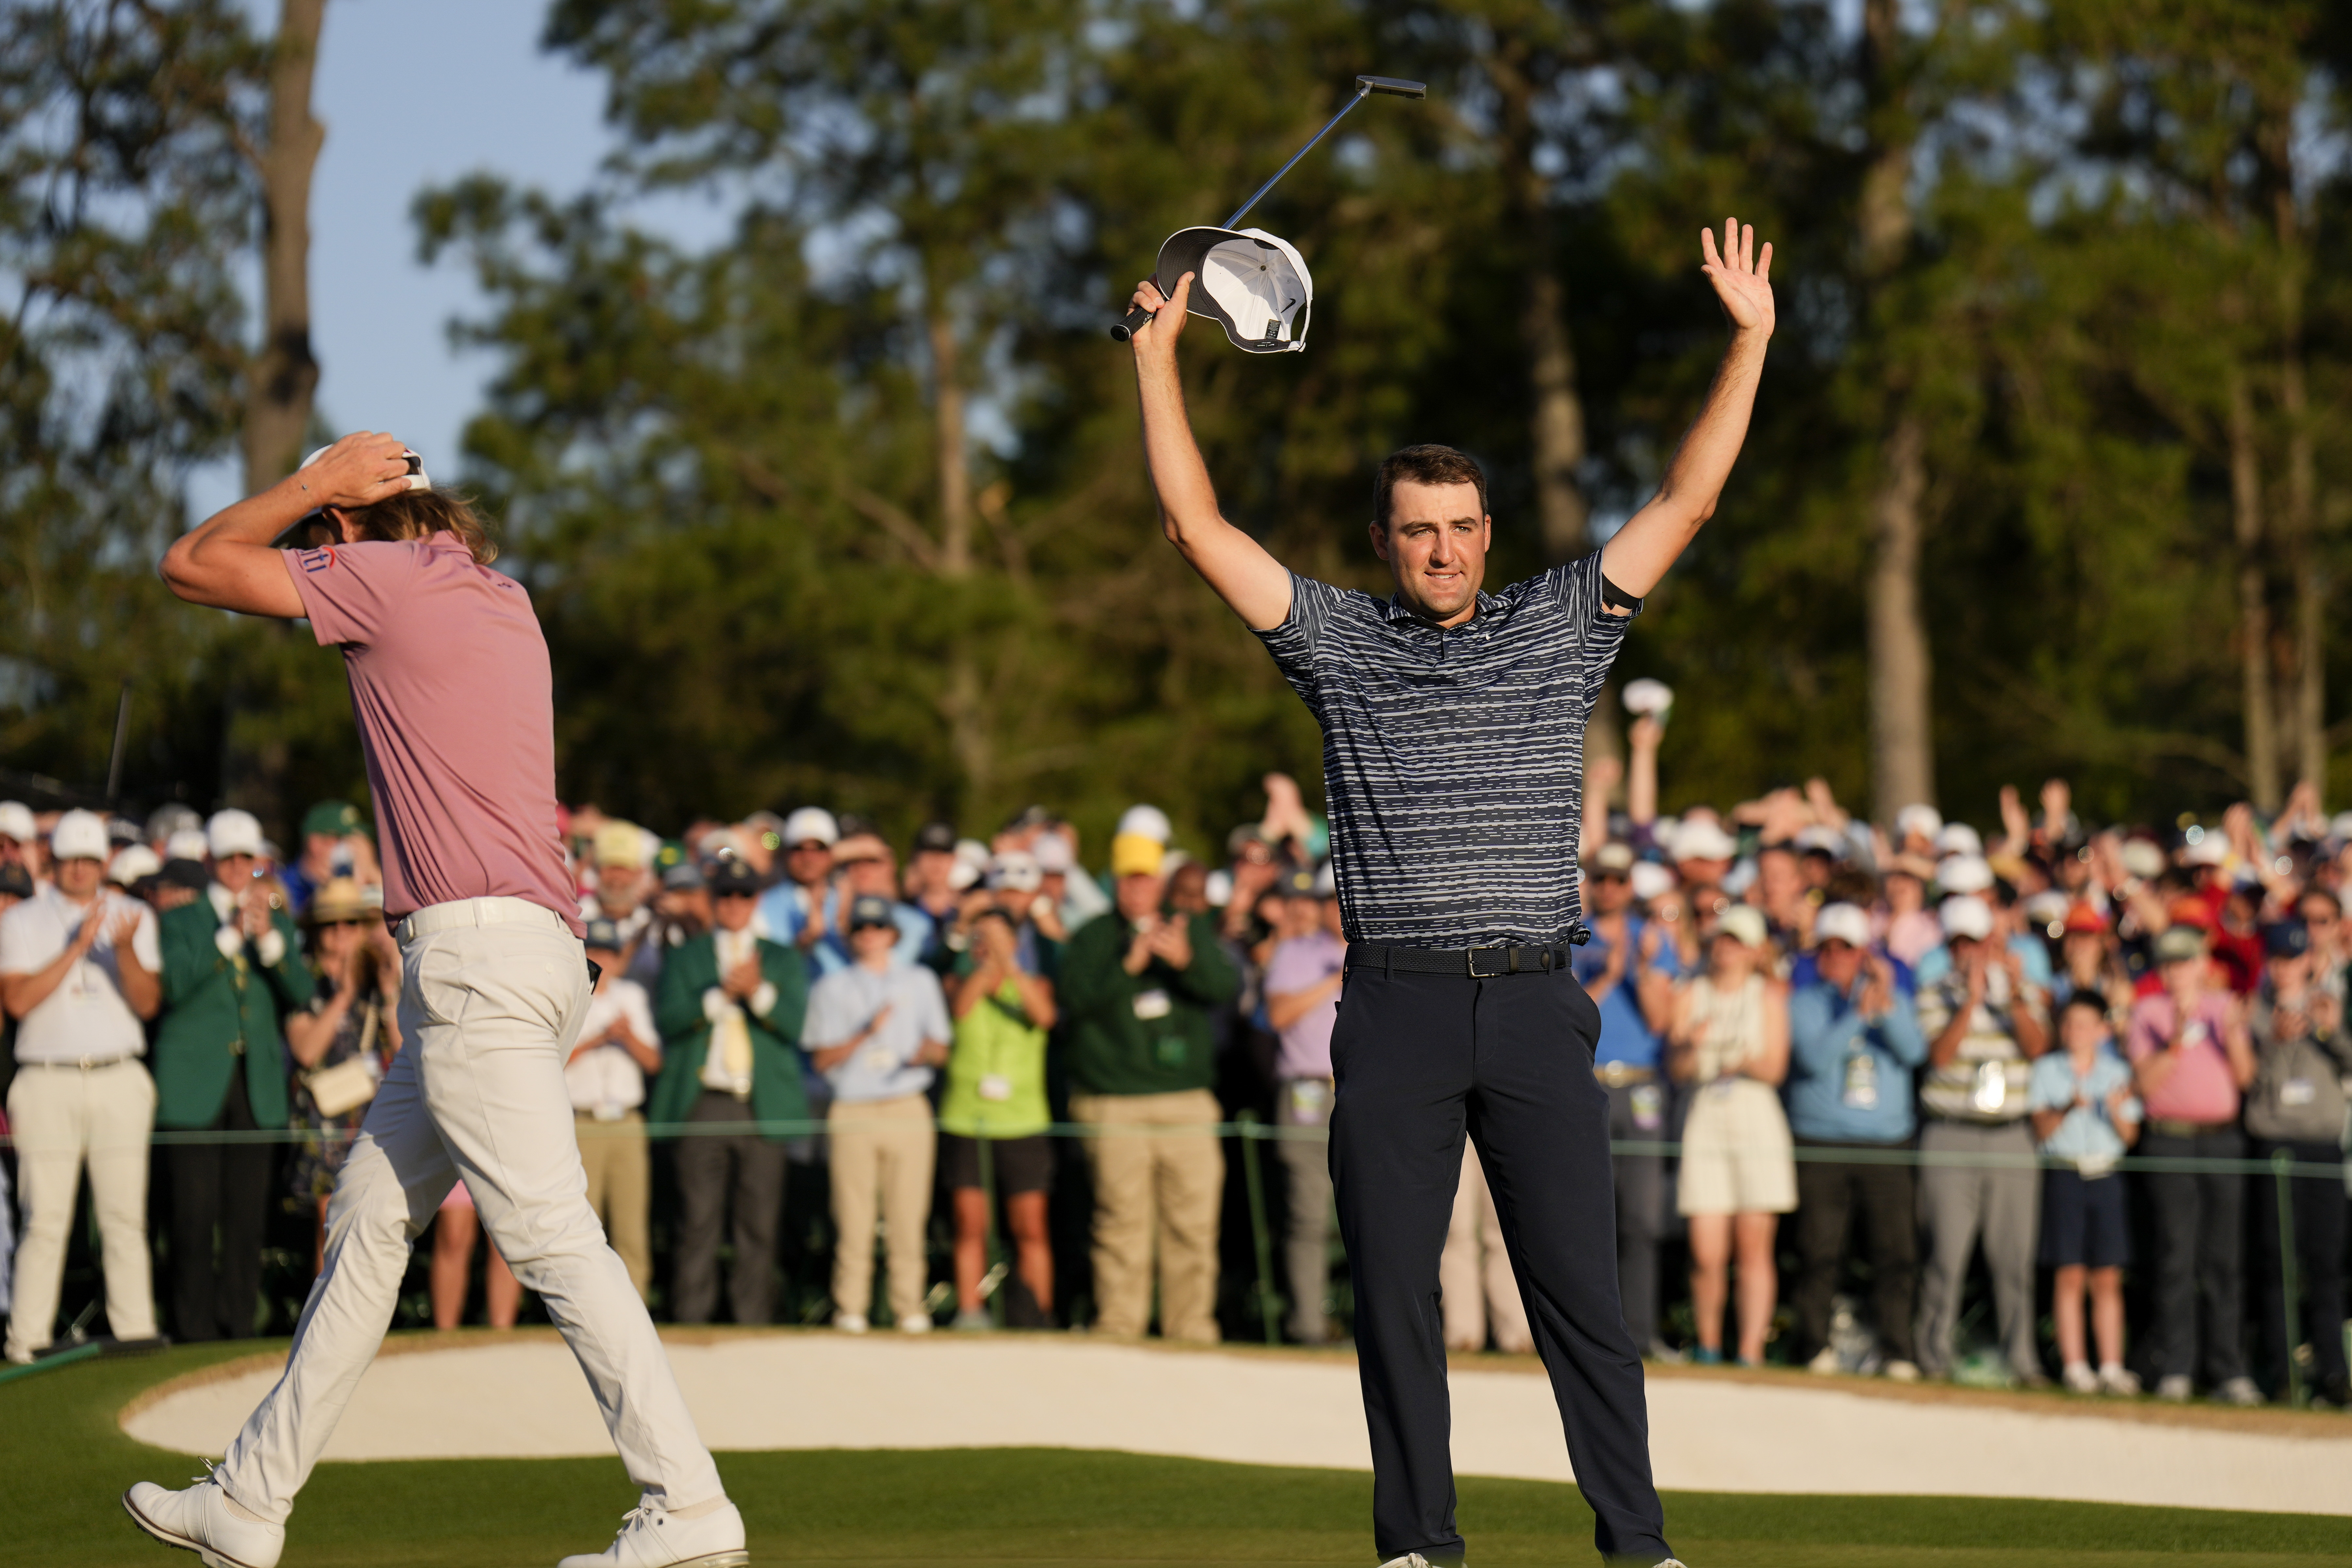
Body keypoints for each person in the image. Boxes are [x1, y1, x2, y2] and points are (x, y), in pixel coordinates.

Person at [1126, 212, 1772, 1567]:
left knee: (1581, 1299)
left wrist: (1750, 340)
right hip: (1397, 1005)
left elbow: (1685, 503)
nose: (1441, 550)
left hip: (1534, 1001)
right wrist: (1154, 359)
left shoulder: (1558, 624)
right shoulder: (1334, 642)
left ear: (1487, 533)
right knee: (1394, 1297)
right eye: (1417, 530)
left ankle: (1636, 1541)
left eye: (1461, 527)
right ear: (1383, 538)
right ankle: (1416, 1542)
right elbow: (1194, 527)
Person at [131, 433, 748, 1568]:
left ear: (346, 525)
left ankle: (688, 1499)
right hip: (525, 957)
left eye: (324, 530)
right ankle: (250, 1499)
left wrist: (313, 486)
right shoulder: (502, 594)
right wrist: (351, 502)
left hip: (473, 964)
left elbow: (190, 564)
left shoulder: (383, 575)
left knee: (550, 1234)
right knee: (368, 1222)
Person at [1058, 817, 1240, 1341]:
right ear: (1115, 881)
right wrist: (1128, 966)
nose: (1137, 887)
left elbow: (1225, 987)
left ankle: (1190, 1327)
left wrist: (1186, 961)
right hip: (1114, 1102)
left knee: (1193, 1223)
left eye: (1146, 877)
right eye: (1128, 878)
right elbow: (1072, 1001)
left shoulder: (1189, 926)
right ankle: (1120, 1324)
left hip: (1186, 1101)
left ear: (1160, 880)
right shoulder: (1093, 936)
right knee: (1120, 1222)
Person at [0, 809, 161, 1364]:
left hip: (120, 1074)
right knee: (44, 1218)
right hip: (47, 1078)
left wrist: (123, 950)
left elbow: (147, 1003)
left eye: (90, 861)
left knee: (124, 1217)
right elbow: (17, 1000)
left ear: (102, 864)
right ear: (54, 861)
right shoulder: (22, 919)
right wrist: (76, 947)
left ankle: (136, 1333)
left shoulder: (136, 915)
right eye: (70, 860)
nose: (80, 870)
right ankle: (26, 1341)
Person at [153, 808, 316, 1344]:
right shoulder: (181, 918)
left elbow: (301, 992)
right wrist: (227, 938)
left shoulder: (276, 919)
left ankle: (241, 1324)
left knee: (248, 1217)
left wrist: (270, 943)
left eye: (246, 859)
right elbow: (175, 985)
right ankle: (193, 1327)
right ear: (208, 860)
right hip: (195, 1082)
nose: (237, 868)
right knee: (193, 1215)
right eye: (227, 858)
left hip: (255, 1082)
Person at [651, 855, 811, 1327]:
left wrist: (758, 992)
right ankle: (691, 1321)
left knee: (758, 1224)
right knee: (697, 1220)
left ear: (756, 901)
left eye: (744, 895)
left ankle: (752, 1322)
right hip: (704, 1101)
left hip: (761, 1105)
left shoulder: (780, 957)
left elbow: (795, 1026)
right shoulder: (689, 956)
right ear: (713, 900)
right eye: (726, 894)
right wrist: (720, 993)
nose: (735, 903)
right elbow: (670, 1020)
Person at [1783, 902, 1927, 1379]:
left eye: (1846, 949)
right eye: (1827, 948)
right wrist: (1857, 1015)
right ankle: (1813, 1345)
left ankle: (1897, 1350)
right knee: (1819, 1251)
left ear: (1864, 953)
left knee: (1895, 1253)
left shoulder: (1893, 999)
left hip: (1885, 1143)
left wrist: (1884, 1003)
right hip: (1821, 1142)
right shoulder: (1804, 1001)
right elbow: (1815, 1058)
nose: (1835, 957)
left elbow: (1914, 1051)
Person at [1912, 893, 2050, 1386]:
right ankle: (1933, 1356)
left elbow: (2038, 1048)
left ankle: (2022, 1360)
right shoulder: (1933, 994)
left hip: (2011, 1135)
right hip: (1951, 1133)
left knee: (2014, 1261)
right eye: (1959, 944)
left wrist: (2011, 997)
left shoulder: (2024, 992)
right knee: (1945, 1257)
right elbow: (1940, 1056)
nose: (1968, 952)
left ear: (1994, 942)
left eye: (1976, 942)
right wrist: (1970, 1002)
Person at [803, 893, 952, 1334]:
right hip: (853, 1105)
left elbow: (941, 1046)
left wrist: (925, 1053)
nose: (870, 935)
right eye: (861, 928)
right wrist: (865, 1033)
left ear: (893, 934)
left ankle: (909, 1306)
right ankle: (851, 1306)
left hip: (907, 1102)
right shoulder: (831, 987)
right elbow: (820, 1059)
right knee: (853, 1217)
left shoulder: (920, 980)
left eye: (878, 927)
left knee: (909, 1215)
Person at [2126, 923, 2261, 1403]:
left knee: (2224, 1258)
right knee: (2175, 1255)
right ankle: (2177, 1366)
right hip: (2170, 1140)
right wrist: (2177, 1041)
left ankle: (2228, 1369)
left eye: (2185, 961)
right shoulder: (2147, 1013)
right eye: (2170, 963)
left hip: (2222, 1139)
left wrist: (2234, 1034)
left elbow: (2245, 1078)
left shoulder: (2225, 1008)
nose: (2177, 971)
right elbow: (2143, 1084)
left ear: (2202, 965)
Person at [1666, 905, 1793, 1367]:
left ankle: (1750, 1350)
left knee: (1754, 1247)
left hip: (1755, 1114)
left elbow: (1774, 1068)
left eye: (1737, 941)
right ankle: (1708, 1345)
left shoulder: (1769, 996)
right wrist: (1692, 1046)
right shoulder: (1691, 992)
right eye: (1723, 938)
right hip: (1706, 1114)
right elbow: (1678, 1068)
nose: (1726, 947)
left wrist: (1739, 1060)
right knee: (1706, 1249)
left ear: (1756, 950)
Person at [1573, 840, 1680, 1356]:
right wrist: (1610, 975)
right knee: (1586, 1213)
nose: (1609, 888)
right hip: (1587, 1077)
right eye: (1601, 879)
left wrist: (1637, 969)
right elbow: (1567, 1015)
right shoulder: (1572, 935)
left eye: (1618, 880)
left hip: (1640, 1084)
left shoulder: (1652, 939)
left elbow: (1661, 1021)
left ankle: (1639, 1331)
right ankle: (1588, 1333)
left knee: (1640, 1216)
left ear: (1630, 885)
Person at [2244, 919, 2352, 1407]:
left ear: (2309, 960)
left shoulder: (2330, 1004)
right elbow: (2247, 1083)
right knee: (2278, 1263)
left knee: (2326, 1263)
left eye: (2294, 958)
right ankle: (2284, 1370)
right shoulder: (2254, 1012)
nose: (2285, 968)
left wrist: (2330, 1030)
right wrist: (2273, 1043)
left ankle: (2334, 1370)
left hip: (2322, 1146)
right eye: (2278, 959)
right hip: (2276, 1147)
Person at [938, 906, 1060, 1328]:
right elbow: (960, 1009)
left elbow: (1044, 1015)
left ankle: (1037, 1312)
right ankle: (971, 1313)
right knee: (970, 1224)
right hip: (967, 1120)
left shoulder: (1035, 983)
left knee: (1031, 1227)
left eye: (997, 937)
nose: (988, 945)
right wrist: (986, 966)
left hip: (1022, 1121)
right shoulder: (958, 983)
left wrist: (1010, 965)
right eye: (981, 938)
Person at [283, 878, 403, 1274]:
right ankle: (326, 1303)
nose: (341, 932)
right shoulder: (303, 979)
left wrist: (388, 990)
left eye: (351, 922)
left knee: (371, 1222)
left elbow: (403, 1048)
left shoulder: (377, 979)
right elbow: (306, 1050)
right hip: (324, 1116)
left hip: (372, 1114)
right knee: (331, 1220)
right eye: (330, 924)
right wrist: (344, 996)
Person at [2030, 991, 2143, 1397]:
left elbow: (2130, 1136)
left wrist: (2113, 1111)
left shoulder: (2117, 1071)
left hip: (2105, 1175)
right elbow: (2041, 1130)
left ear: (2101, 1031)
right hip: (2065, 1175)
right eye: (2069, 1024)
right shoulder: (2046, 1069)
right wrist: (2065, 1107)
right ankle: (2075, 1367)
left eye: (2083, 1024)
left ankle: (2111, 1366)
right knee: (2070, 1274)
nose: (2075, 1031)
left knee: (2108, 1276)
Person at [1262, 862, 1347, 1343]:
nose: (1337, 908)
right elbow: (1278, 1014)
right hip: (1307, 1093)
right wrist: (1332, 980)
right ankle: (1308, 1325)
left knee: (1375, 1213)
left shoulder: (1382, 952)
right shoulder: (1296, 952)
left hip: (1364, 1090)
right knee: (1308, 1214)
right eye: (1329, 900)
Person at [568, 918, 663, 1302]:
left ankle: (635, 1306)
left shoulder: (631, 996)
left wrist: (626, 1036)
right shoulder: (569, 996)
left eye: (609, 952)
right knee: (583, 1224)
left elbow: (653, 1061)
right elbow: (553, 1061)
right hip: (582, 1122)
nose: (602, 960)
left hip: (626, 1120)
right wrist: (600, 1039)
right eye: (594, 951)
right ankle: (586, 1308)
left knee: (631, 1224)